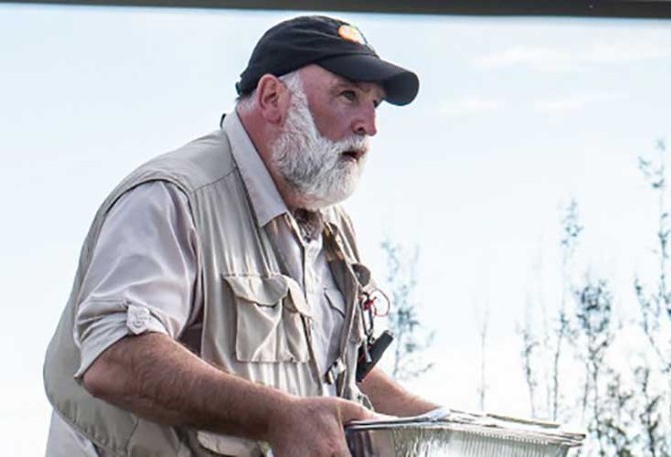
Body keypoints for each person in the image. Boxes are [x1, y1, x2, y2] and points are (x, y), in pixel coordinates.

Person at [43, 15, 438, 457]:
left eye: (375, 104)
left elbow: (335, 374)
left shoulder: (332, 227)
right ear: (272, 98)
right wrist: (276, 416)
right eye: (348, 95)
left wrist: (439, 425)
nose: (369, 125)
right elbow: (113, 357)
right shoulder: (173, 197)